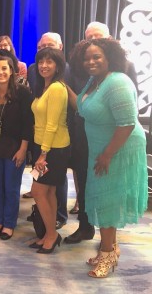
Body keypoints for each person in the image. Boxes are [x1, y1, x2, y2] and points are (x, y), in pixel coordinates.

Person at [68, 38, 147, 278]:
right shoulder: (95, 81)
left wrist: (107, 155)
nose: (90, 62)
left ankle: (107, 255)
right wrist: (58, 84)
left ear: (109, 57)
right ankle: (110, 248)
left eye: (96, 57)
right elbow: (81, 107)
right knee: (101, 198)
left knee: (107, 203)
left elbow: (126, 123)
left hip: (117, 149)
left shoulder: (117, 82)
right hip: (101, 148)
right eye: (86, 58)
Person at [0, 56, 33, 239]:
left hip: (15, 148)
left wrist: (23, 149)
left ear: (11, 71)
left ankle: (9, 224)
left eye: (4, 69)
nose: (0, 72)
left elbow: (28, 124)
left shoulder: (23, 93)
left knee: (11, 187)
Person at [26, 32, 70, 230]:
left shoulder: (57, 88)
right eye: (41, 61)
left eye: (49, 62)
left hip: (53, 149)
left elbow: (52, 125)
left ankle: (51, 235)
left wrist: (43, 154)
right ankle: (50, 234)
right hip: (43, 146)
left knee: (38, 191)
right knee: (49, 193)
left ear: (57, 65)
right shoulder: (43, 87)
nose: (44, 65)